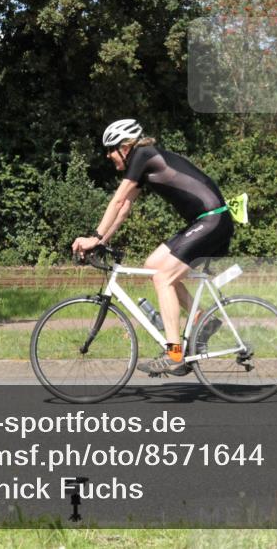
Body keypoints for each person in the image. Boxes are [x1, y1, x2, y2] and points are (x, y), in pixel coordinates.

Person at [71, 119, 234, 375]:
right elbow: (123, 209)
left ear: (125, 148)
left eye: (110, 149)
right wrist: (102, 241)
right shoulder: (145, 162)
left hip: (212, 219)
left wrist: (93, 236)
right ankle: (202, 317)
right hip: (208, 220)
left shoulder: (143, 154)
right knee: (153, 265)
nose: (107, 155)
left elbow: (116, 200)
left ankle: (175, 355)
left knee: (163, 278)